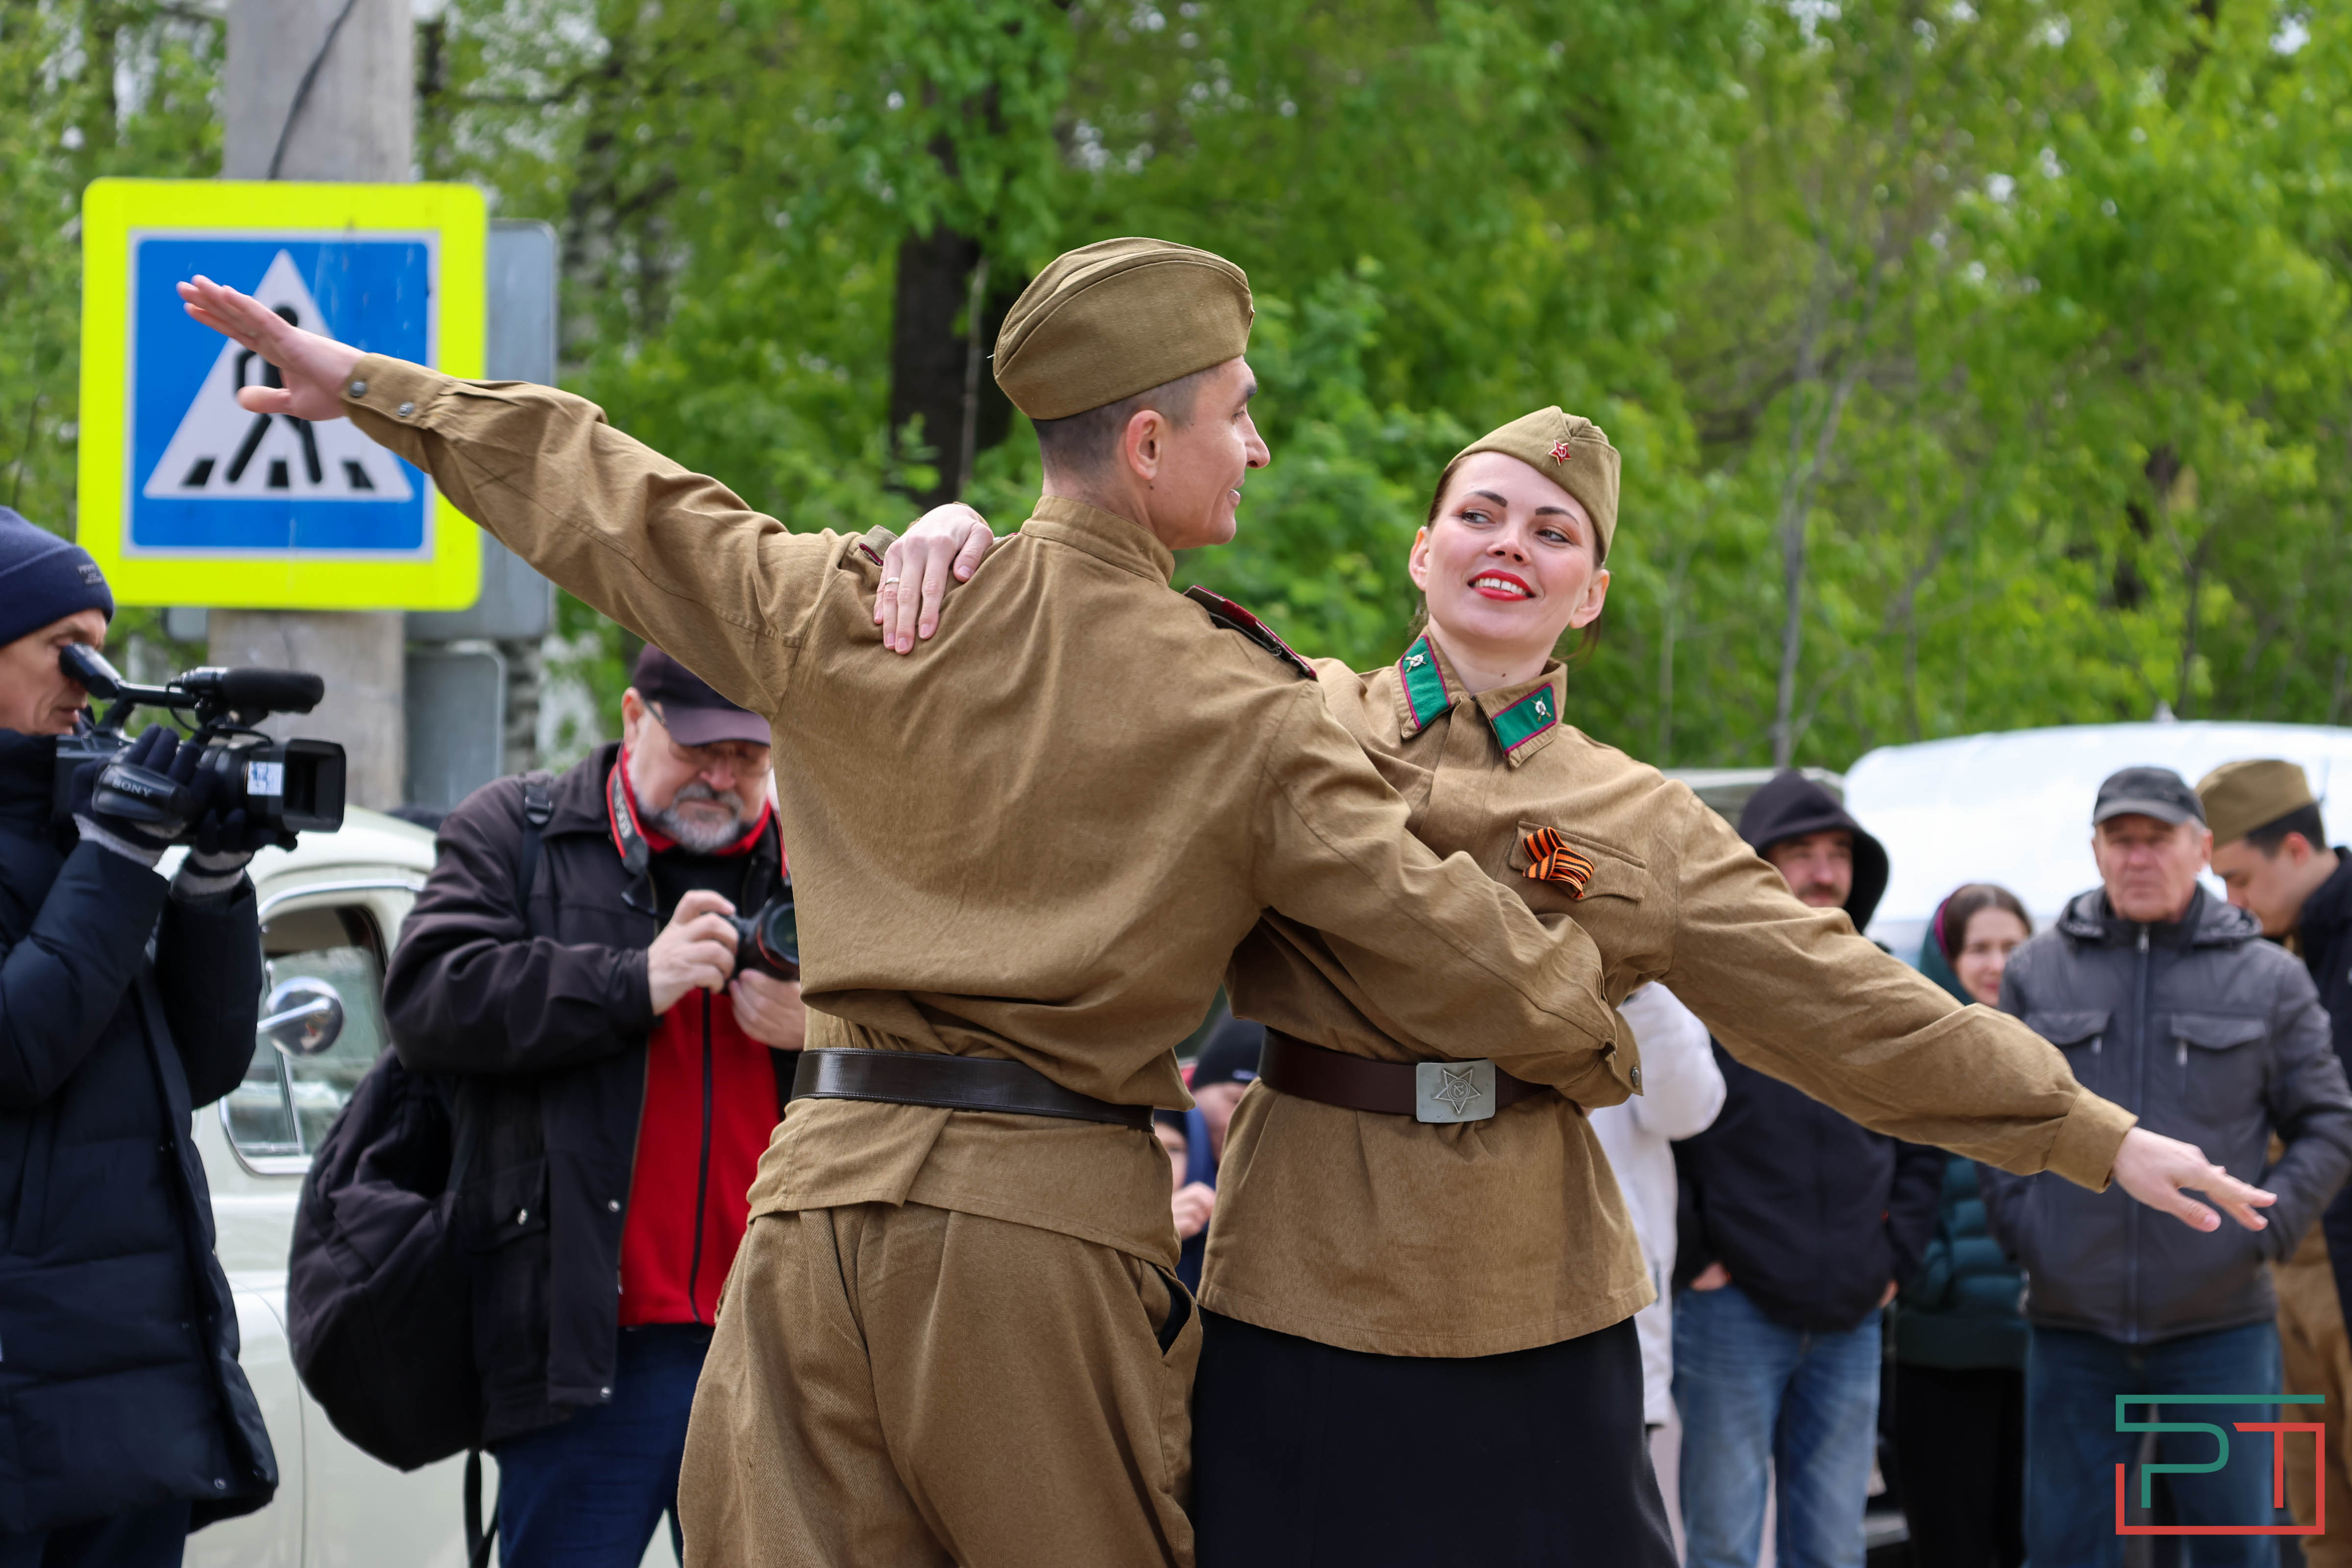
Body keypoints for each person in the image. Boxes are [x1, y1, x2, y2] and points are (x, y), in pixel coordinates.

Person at [179, 243, 1652, 1568]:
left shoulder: (862, 608)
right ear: (1147, 442)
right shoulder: (1238, 699)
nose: (1257, 447)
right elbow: (1432, 930)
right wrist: (1590, 1036)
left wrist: (380, 390)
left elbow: (613, 496)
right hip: (1035, 1233)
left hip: (806, 1213)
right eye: (1238, 413)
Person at [1157, 410, 2267, 1568]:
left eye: (1551, 531)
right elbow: (1096, 685)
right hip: (1300, 1260)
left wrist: (2086, 1131)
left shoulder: (1643, 819)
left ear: (1588, 592)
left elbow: (1843, 1001)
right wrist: (968, 542)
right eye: (1477, 515)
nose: (1509, 545)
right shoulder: (1296, 715)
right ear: (1421, 550)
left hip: (1530, 1287)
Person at [381, 645, 817, 1567]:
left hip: (779, 1344)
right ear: (631, 717)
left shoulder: (821, 865)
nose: (720, 776)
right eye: (696, 747)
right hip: (587, 1348)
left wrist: (827, 1029)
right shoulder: (521, 828)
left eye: (747, 756)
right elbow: (427, 1002)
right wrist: (630, 981)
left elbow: (934, 1041)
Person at [1983, 766, 2352, 1568]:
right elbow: (1996, 1119)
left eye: (2159, 839)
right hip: (2071, 1328)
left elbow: (2328, 1123)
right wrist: (2030, 1232)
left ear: (2202, 848)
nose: (2140, 856)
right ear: (2096, 850)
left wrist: (2267, 1227)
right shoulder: (2036, 974)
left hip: (2218, 1331)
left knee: (2232, 1550)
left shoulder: (2270, 979)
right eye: (2123, 839)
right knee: (2066, 1551)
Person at [0, 509, 277, 1565]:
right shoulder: (97, 843)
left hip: (127, 1395)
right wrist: (118, 851)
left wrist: (211, 884)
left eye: (104, 649)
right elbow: (19, 1049)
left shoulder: (81, 830)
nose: (90, 680)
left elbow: (196, 1068)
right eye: (62, 647)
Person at [1670, 770, 1948, 1568]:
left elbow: (1926, 1132)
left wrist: (1898, 1260)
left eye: (1838, 853)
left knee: (1832, 1547)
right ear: (1758, 861)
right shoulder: (1704, 980)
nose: (1825, 871)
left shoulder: (1888, 980)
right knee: (1723, 1542)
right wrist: (1700, 1259)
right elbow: (1662, 1122)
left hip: (1854, 1313)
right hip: (1731, 1309)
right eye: (1801, 853)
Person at [2200, 760, 2352, 1560]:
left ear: (2297, 848)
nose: (2231, 902)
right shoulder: (2256, 956)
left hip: (2342, 1265)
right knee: (2316, 1513)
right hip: (2281, 1270)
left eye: (2239, 878)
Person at [1893, 883, 2035, 1568]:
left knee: (2033, 1538)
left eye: (2013, 947)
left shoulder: (2062, 1051)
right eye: (1979, 947)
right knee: (1953, 1544)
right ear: (1946, 959)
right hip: (1943, 1344)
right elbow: (1900, 1180)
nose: (1997, 963)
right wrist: (1933, 1277)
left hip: (2045, 1346)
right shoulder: (1912, 1055)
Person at [1588, 984, 1724, 1430]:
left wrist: (1638, 994)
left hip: (1623, 1313)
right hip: (1499, 1315)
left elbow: (1687, 1113)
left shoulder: (1649, 985)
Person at [1173, 1014, 1260, 1291]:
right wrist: (1150, 1234)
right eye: (1238, 1100)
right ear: (1195, 1090)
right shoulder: (1141, 1132)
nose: (1252, 1124)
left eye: (1269, 1111)